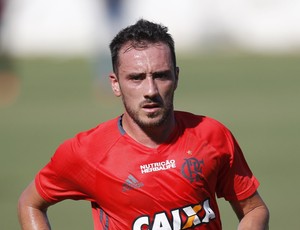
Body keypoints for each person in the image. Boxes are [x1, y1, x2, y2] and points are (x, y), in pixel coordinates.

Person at [18, 19, 269, 229]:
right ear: (115, 84)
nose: (150, 90)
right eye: (136, 78)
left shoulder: (211, 135)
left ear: (177, 77)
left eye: (160, 76)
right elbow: (30, 203)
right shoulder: (87, 152)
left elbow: (254, 210)